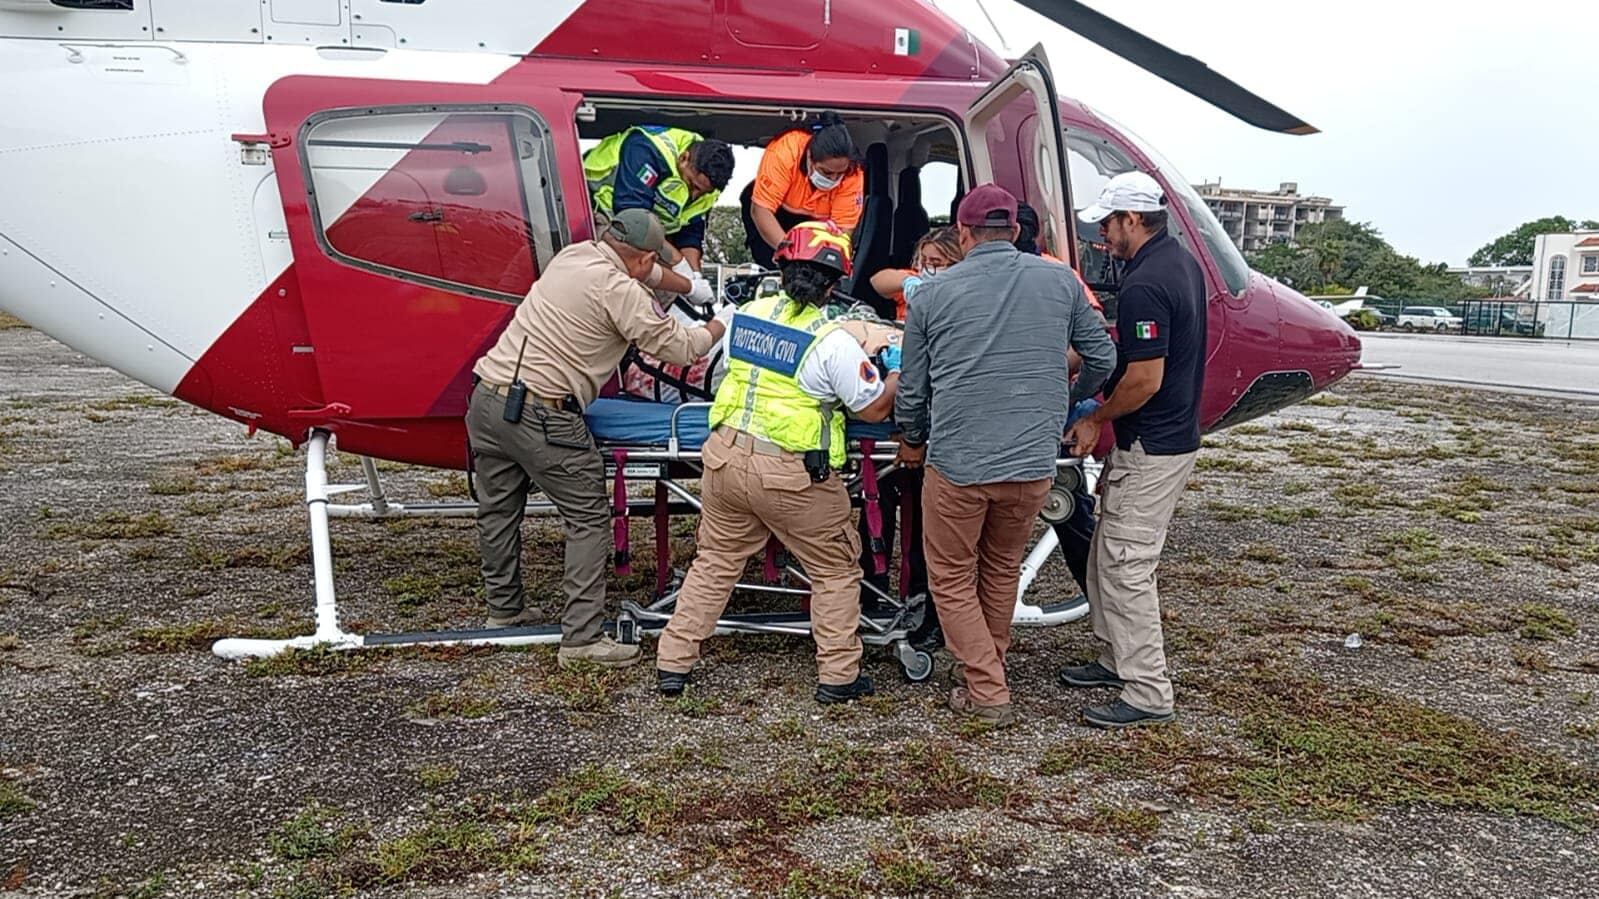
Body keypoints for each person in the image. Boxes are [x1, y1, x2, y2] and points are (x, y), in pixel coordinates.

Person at [468, 209, 733, 669]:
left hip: (488, 402)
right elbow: (682, 348)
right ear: (644, 255)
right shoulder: (621, 292)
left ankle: (504, 610)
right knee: (589, 518)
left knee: (498, 512)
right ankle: (582, 640)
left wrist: (689, 286)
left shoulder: (575, 257)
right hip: (543, 414)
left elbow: (641, 267)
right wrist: (720, 324)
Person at [895, 184, 1116, 728]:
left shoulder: (931, 295)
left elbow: (914, 390)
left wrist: (912, 437)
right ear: (1015, 231)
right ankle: (984, 666)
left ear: (963, 234)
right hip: (1032, 463)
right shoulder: (1059, 280)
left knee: (950, 575)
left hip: (959, 464)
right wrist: (1063, 399)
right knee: (998, 570)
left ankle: (987, 689)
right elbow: (1103, 355)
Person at [656, 221, 899, 704]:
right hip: (792, 477)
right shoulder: (832, 341)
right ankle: (838, 676)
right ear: (835, 283)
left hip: (725, 462)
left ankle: (673, 662)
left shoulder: (747, 315)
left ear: (782, 267)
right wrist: (891, 373)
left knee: (715, 563)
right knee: (833, 571)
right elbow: (871, 407)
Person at [1063, 171, 1207, 728]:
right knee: (1104, 553)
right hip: (1160, 437)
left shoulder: (1147, 282)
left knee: (1126, 565)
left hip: (1154, 442)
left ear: (1132, 219)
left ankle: (1147, 691)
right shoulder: (1177, 263)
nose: (1103, 235)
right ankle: (1112, 657)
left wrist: (1096, 417)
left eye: (1108, 223)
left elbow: (1145, 378)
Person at [583, 125, 735, 299]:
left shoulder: (709, 187)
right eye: (693, 185)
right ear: (684, 158)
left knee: (671, 288)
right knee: (632, 269)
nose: (695, 195)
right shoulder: (647, 148)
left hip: (645, 230)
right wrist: (679, 265)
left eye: (703, 192)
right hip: (598, 210)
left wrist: (694, 275)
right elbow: (634, 217)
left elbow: (690, 232)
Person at [740, 112, 864, 268]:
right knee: (771, 262)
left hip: (819, 223)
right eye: (827, 172)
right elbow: (761, 210)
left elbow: (842, 233)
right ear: (810, 157)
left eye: (840, 174)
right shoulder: (785, 152)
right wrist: (790, 254)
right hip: (775, 213)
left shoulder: (853, 172)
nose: (833, 179)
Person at [869, 226, 964, 322]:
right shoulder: (918, 279)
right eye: (923, 260)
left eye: (935, 263)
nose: (926, 267)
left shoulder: (964, 294)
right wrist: (906, 281)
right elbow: (876, 281)